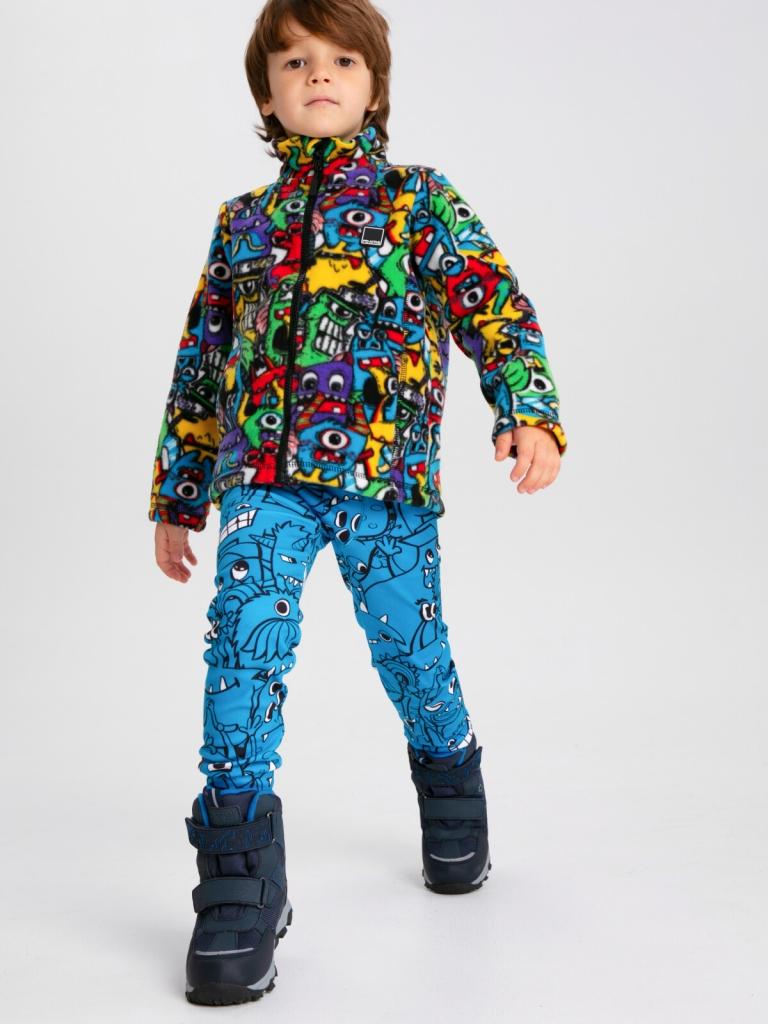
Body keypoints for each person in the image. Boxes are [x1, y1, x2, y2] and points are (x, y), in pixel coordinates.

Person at [149, 0, 567, 1006]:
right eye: (296, 62)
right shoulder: (241, 225)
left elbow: (495, 307)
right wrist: (179, 491)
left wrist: (529, 412)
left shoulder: (417, 200)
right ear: (267, 94)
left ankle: (450, 773)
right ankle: (240, 877)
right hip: (264, 482)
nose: (320, 76)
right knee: (243, 642)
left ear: (374, 86)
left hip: (387, 485)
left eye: (342, 60)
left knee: (411, 652)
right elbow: (202, 362)